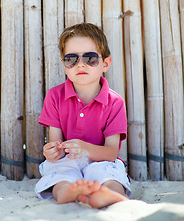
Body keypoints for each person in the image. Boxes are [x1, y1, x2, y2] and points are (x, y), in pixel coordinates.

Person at [35, 22, 131, 209]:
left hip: (101, 160)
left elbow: (111, 153)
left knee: (109, 173)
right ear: (64, 66)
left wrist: (86, 149)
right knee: (59, 172)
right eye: (72, 59)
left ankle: (109, 194)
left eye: (90, 58)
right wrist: (52, 152)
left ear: (105, 64)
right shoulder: (55, 96)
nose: (80, 64)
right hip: (67, 160)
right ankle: (67, 192)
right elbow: (57, 146)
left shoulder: (115, 102)